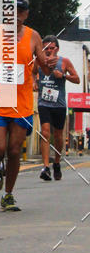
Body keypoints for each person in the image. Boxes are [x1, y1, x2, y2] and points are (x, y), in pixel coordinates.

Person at [0, 0, 52, 212]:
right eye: (10, 11)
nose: (14, 15)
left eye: (19, 12)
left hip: (22, 103)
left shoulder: (34, 37)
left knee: (14, 150)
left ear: (25, 15)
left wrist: (49, 64)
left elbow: (44, 67)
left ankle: (8, 195)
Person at [33, 35, 79, 181]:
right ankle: (46, 167)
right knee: (45, 132)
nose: (48, 51)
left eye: (51, 48)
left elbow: (77, 79)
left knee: (58, 136)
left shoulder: (64, 62)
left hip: (59, 104)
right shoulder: (39, 62)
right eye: (45, 48)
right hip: (44, 103)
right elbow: (32, 72)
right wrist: (34, 82)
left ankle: (57, 162)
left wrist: (63, 76)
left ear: (57, 49)